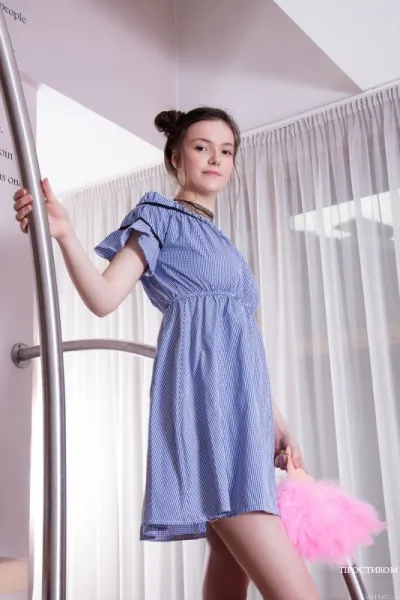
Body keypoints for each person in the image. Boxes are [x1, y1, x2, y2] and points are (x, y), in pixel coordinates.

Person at [13, 107, 319, 600]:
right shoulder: (158, 218)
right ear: (176, 157)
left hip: (242, 416)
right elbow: (103, 297)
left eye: (226, 151)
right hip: (207, 414)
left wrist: (275, 420)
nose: (216, 159)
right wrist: (66, 234)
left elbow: (240, 348)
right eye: (202, 147)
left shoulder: (222, 244)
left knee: (228, 571)